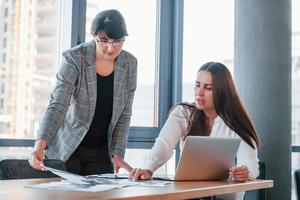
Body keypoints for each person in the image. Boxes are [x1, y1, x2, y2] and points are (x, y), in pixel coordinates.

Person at [129, 62, 260, 200]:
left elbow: (251, 166)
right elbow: (164, 145)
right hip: (189, 195)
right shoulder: (184, 113)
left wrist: (245, 172)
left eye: (208, 88)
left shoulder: (236, 122)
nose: (199, 92)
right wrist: (148, 168)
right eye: (197, 85)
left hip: (223, 197)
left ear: (222, 91)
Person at [28, 9, 136, 175]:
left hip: (101, 154)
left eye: (117, 42)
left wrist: (118, 153)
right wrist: (40, 145)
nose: (110, 47)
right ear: (94, 36)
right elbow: (58, 105)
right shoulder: (75, 58)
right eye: (104, 40)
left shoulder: (129, 64)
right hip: (68, 150)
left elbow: (124, 115)